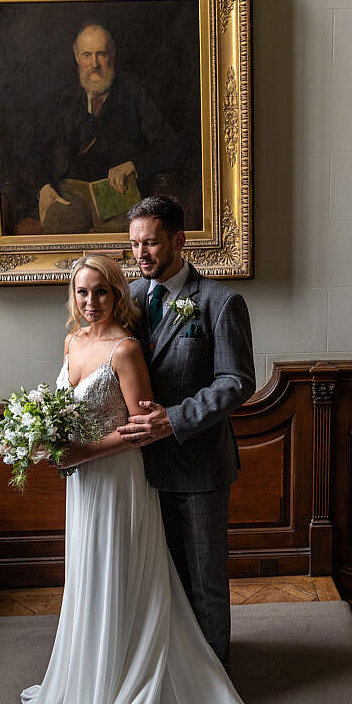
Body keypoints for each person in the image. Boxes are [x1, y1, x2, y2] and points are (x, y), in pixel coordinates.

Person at [0, 254, 332, 704]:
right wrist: (42, 439)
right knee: (90, 582)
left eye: (99, 291)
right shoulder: (71, 341)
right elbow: (59, 407)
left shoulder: (126, 347)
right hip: (82, 489)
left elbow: (144, 430)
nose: (90, 301)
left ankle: (177, 680)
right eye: (81, 291)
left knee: (149, 579)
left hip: (116, 482)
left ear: (116, 294)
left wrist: (76, 452)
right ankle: (94, 680)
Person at [117, 195, 253, 672]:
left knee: (204, 581)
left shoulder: (219, 302)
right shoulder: (128, 300)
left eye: (150, 242)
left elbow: (236, 383)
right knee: (158, 579)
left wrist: (172, 419)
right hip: (136, 472)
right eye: (134, 244)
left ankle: (216, 681)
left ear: (178, 240)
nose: (140, 254)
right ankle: (173, 674)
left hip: (199, 467)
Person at [36, 23, 183, 234]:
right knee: (57, 235)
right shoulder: (61, 100)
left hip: (118, 194)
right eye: (87, 55)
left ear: (112, 56)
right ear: (77, 57)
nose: (94, 64)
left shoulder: (134, 95)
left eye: (101, 54)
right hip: (68, 195)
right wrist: (42, 187)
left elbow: (172, 147)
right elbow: (32, 153)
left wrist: (134, 165)